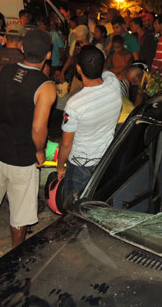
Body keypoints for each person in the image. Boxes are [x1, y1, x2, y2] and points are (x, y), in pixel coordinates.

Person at [0, 29, 57, 249]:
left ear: (22, 48)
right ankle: (15, 253)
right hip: (22, 156)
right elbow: (38, 128)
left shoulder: (3, 72)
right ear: (48, 55)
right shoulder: (46, 86)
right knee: (20, 210)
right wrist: (40, 151)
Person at [57, 45, 122, 208]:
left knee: (75, 208)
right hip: (105, 161)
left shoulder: (74, 104)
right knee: (100, 204)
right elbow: (105, 72)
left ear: (79, 69)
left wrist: (60, 167)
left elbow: (66, 144)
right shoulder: (113, 83)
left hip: (81, 166)